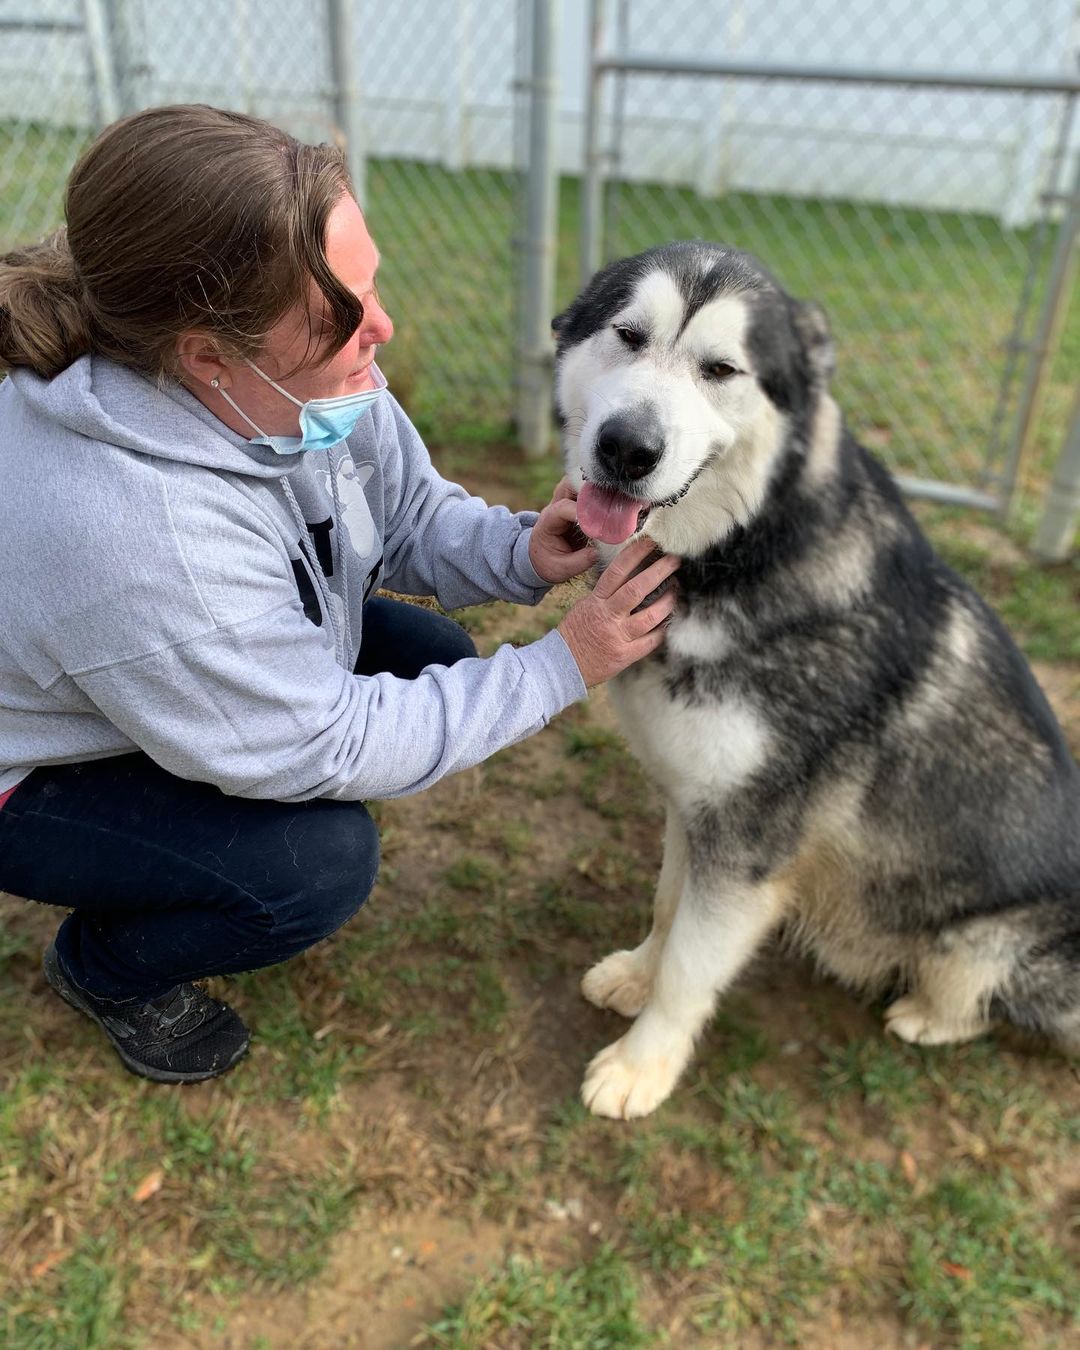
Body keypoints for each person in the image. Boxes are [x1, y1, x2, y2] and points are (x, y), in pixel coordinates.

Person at [0, 104, 678, 1084]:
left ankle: (198, 776)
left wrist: (520, 551)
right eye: (343, 311)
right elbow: (328, 743)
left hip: (148, 664)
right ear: (207, 355)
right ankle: (105, 966)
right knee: (311, 867)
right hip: (30, 771)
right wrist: (564, 664)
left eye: (369, 285)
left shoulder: (301, 382)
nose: (382, 326)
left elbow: (402, 515)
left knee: (437, 663)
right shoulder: (142, 542)